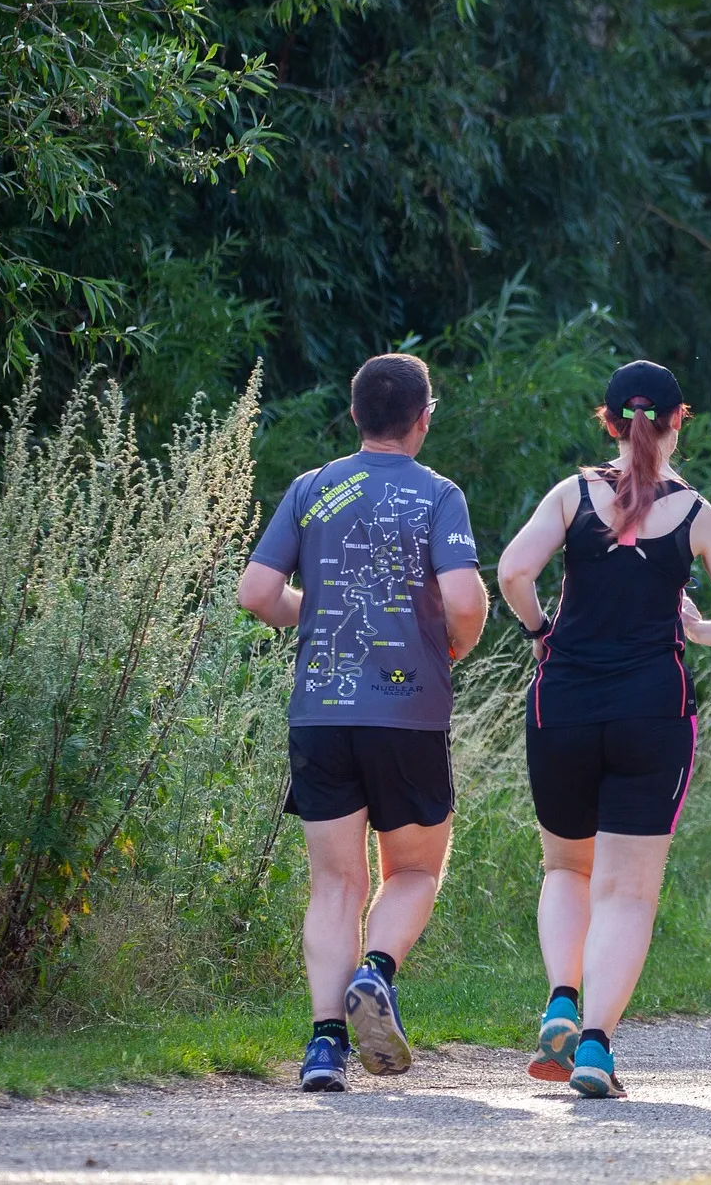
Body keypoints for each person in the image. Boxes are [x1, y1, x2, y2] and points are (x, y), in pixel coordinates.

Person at [497, 360, 711, 1100]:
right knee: (628, 895)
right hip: (653, 713)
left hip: (563, 707)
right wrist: (699, 629)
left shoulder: (570, 495)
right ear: (680, 420)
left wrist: (540, 631)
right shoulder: (697, 514)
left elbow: (513, 571)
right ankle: (594, 1046)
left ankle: (560, 997)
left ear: (609, 422)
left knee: (565, 870)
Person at [239, 353, 489, 1092]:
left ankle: (324, 1049)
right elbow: (466, 601)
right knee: (414, 868)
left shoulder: (311, 489)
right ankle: (375, 972)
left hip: (320, 712)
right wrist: (452, 648)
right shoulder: (439, 496)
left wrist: (308, 615)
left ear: (355, 415)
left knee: (333, 885)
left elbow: (256, 591)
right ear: (424, 417)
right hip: (408, 714)